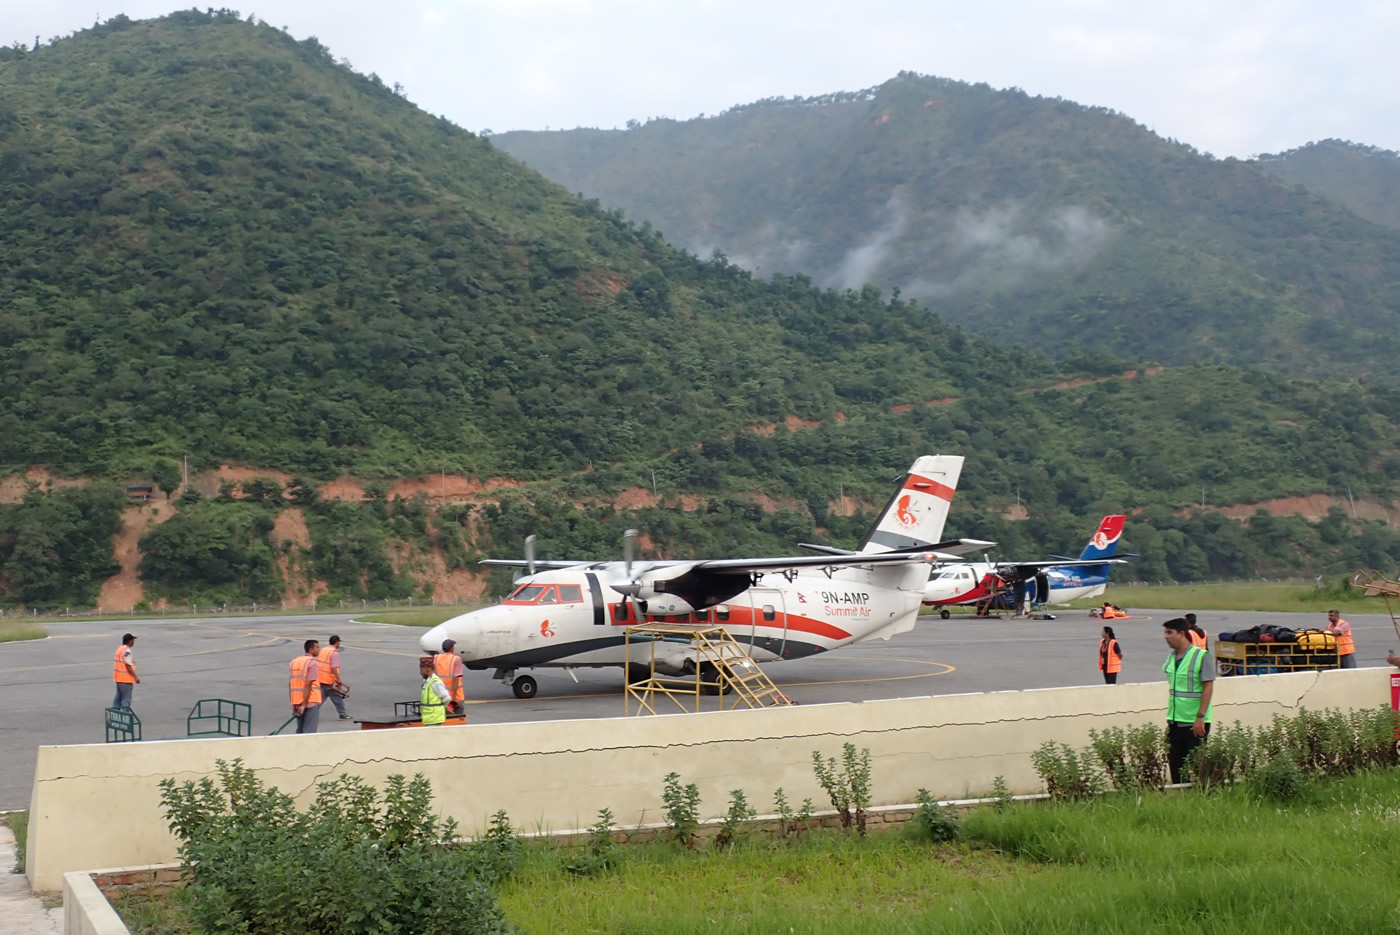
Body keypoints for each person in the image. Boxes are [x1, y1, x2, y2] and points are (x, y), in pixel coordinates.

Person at [1162, 617, 1215, 783]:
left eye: (1169, 632)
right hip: (1175, 721)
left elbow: (1208, 687)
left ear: (1182, 634)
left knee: (1198, 767)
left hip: (1195, 723)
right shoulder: (1172, 658)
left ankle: (1204, 798)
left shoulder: (1201, 656)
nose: (1165, 636)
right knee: (1176, 767)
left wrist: (1201, 717)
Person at [289, 639, 322, 734]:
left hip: (297, 701)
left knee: (300, 729)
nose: (319, 650)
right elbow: (308, 684)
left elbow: (291, 684)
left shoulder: (294, 662)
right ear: (311, 649)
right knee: (309, 731)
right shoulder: (312, 663)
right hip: (310, 700)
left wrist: (293, 704)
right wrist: (304, 704)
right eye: (317, 647)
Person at [317, 635, 350, 720]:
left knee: (319, 699)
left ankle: (310, 712)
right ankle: (342, 714)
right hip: (329, 680)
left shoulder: (323, 650)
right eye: (339, 642)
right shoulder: (334, 653)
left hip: (321, 678)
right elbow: (334, 667)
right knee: (337, 698)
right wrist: (338, 679)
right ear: (336, 642)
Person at [433, 639, 466, 715]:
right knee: (457, 719)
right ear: (452, 648)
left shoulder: (436, 658)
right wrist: (454, 698)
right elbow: (455, 679)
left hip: (440, 695)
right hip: (455, 697)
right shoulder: (456, 659)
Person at [418, 656, 451, 726]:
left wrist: (443, 706)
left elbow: (446, 697)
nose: (420, 673)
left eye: (421, 670)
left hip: (434, 718)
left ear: (428, 670)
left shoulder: (435, 683)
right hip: (429, 718)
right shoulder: (427, 681)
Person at [112, 633, 140, 708]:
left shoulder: (119, 649)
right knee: (126, 699)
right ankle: (125, 716)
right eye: (133, 640)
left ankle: (115, 715)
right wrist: (135, 677)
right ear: (130, 641)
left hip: (118, 678)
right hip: (125, 679)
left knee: (118, 698)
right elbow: (128, 665)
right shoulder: (126, 651)